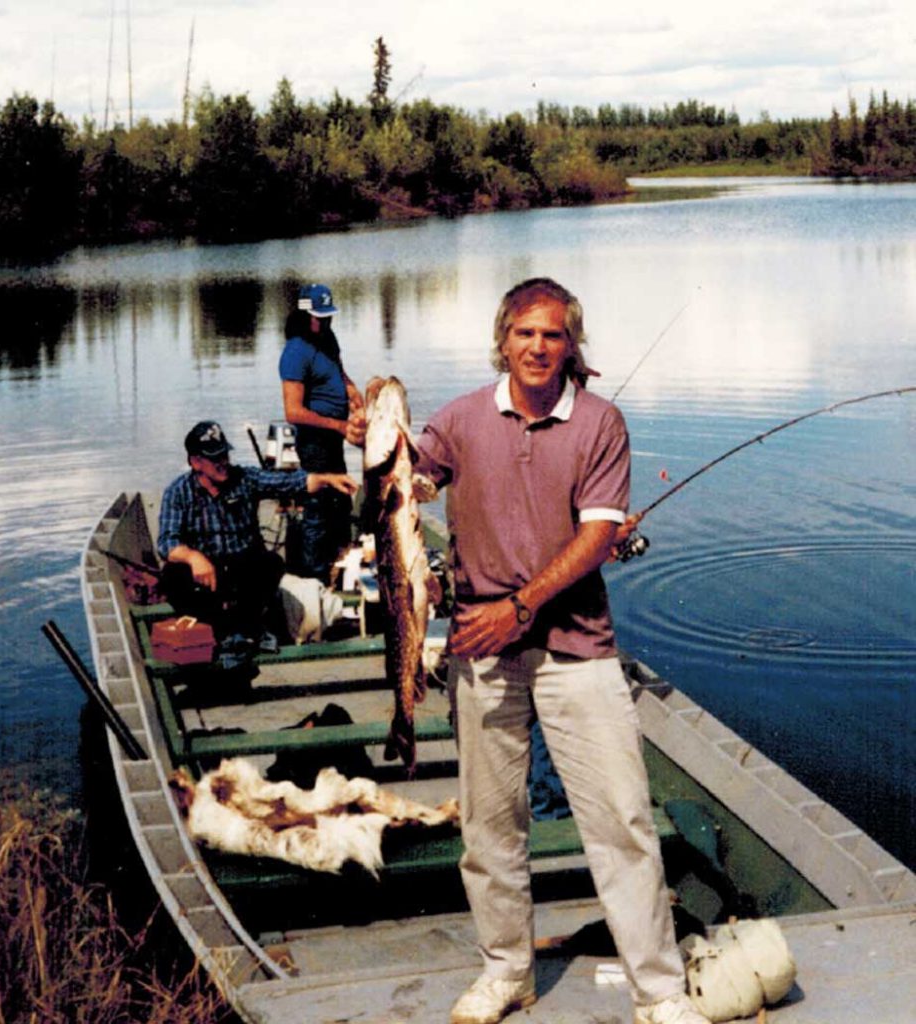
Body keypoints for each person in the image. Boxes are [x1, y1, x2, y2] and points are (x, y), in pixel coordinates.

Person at [414, 279, 708, 1024]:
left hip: (577, 647)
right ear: (502, 339)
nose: (538, 347)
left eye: (553, 335)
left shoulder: (602, 423)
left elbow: (597, 538)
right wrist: (375, 448)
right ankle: (506, 972)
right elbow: (410, 481)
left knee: (622, 825)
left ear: (571, 344)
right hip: (482, 650)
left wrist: (517, 607)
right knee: (488, 827)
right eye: (524, 333)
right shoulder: (461, 419)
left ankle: (660, 992)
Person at [157, 419, 357, 646]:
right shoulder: (177, 492)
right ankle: (218, 626)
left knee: (270, 564)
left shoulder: (244, 478)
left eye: (224, 454)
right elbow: (166, 541)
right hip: (205, 574)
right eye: (215, 458)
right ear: (196, 462)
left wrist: (327, 479)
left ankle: (246, 626)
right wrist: (193, 558)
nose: (223, 462)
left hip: (244, 570)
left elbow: (288, 482)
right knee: (172, 576)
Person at [279, 283, 365, 582]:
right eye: (320, 317)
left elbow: (337, 372)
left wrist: (351, 390)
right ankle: (315, 579)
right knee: (317, 509)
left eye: (329, 316)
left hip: (333, 440)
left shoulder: (327, 338)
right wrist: (339, 425)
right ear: (305, 315)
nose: (326, 322)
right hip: (315, 442)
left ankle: (340, 567)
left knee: (340, 501)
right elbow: (293, 411)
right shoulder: (295, 352)